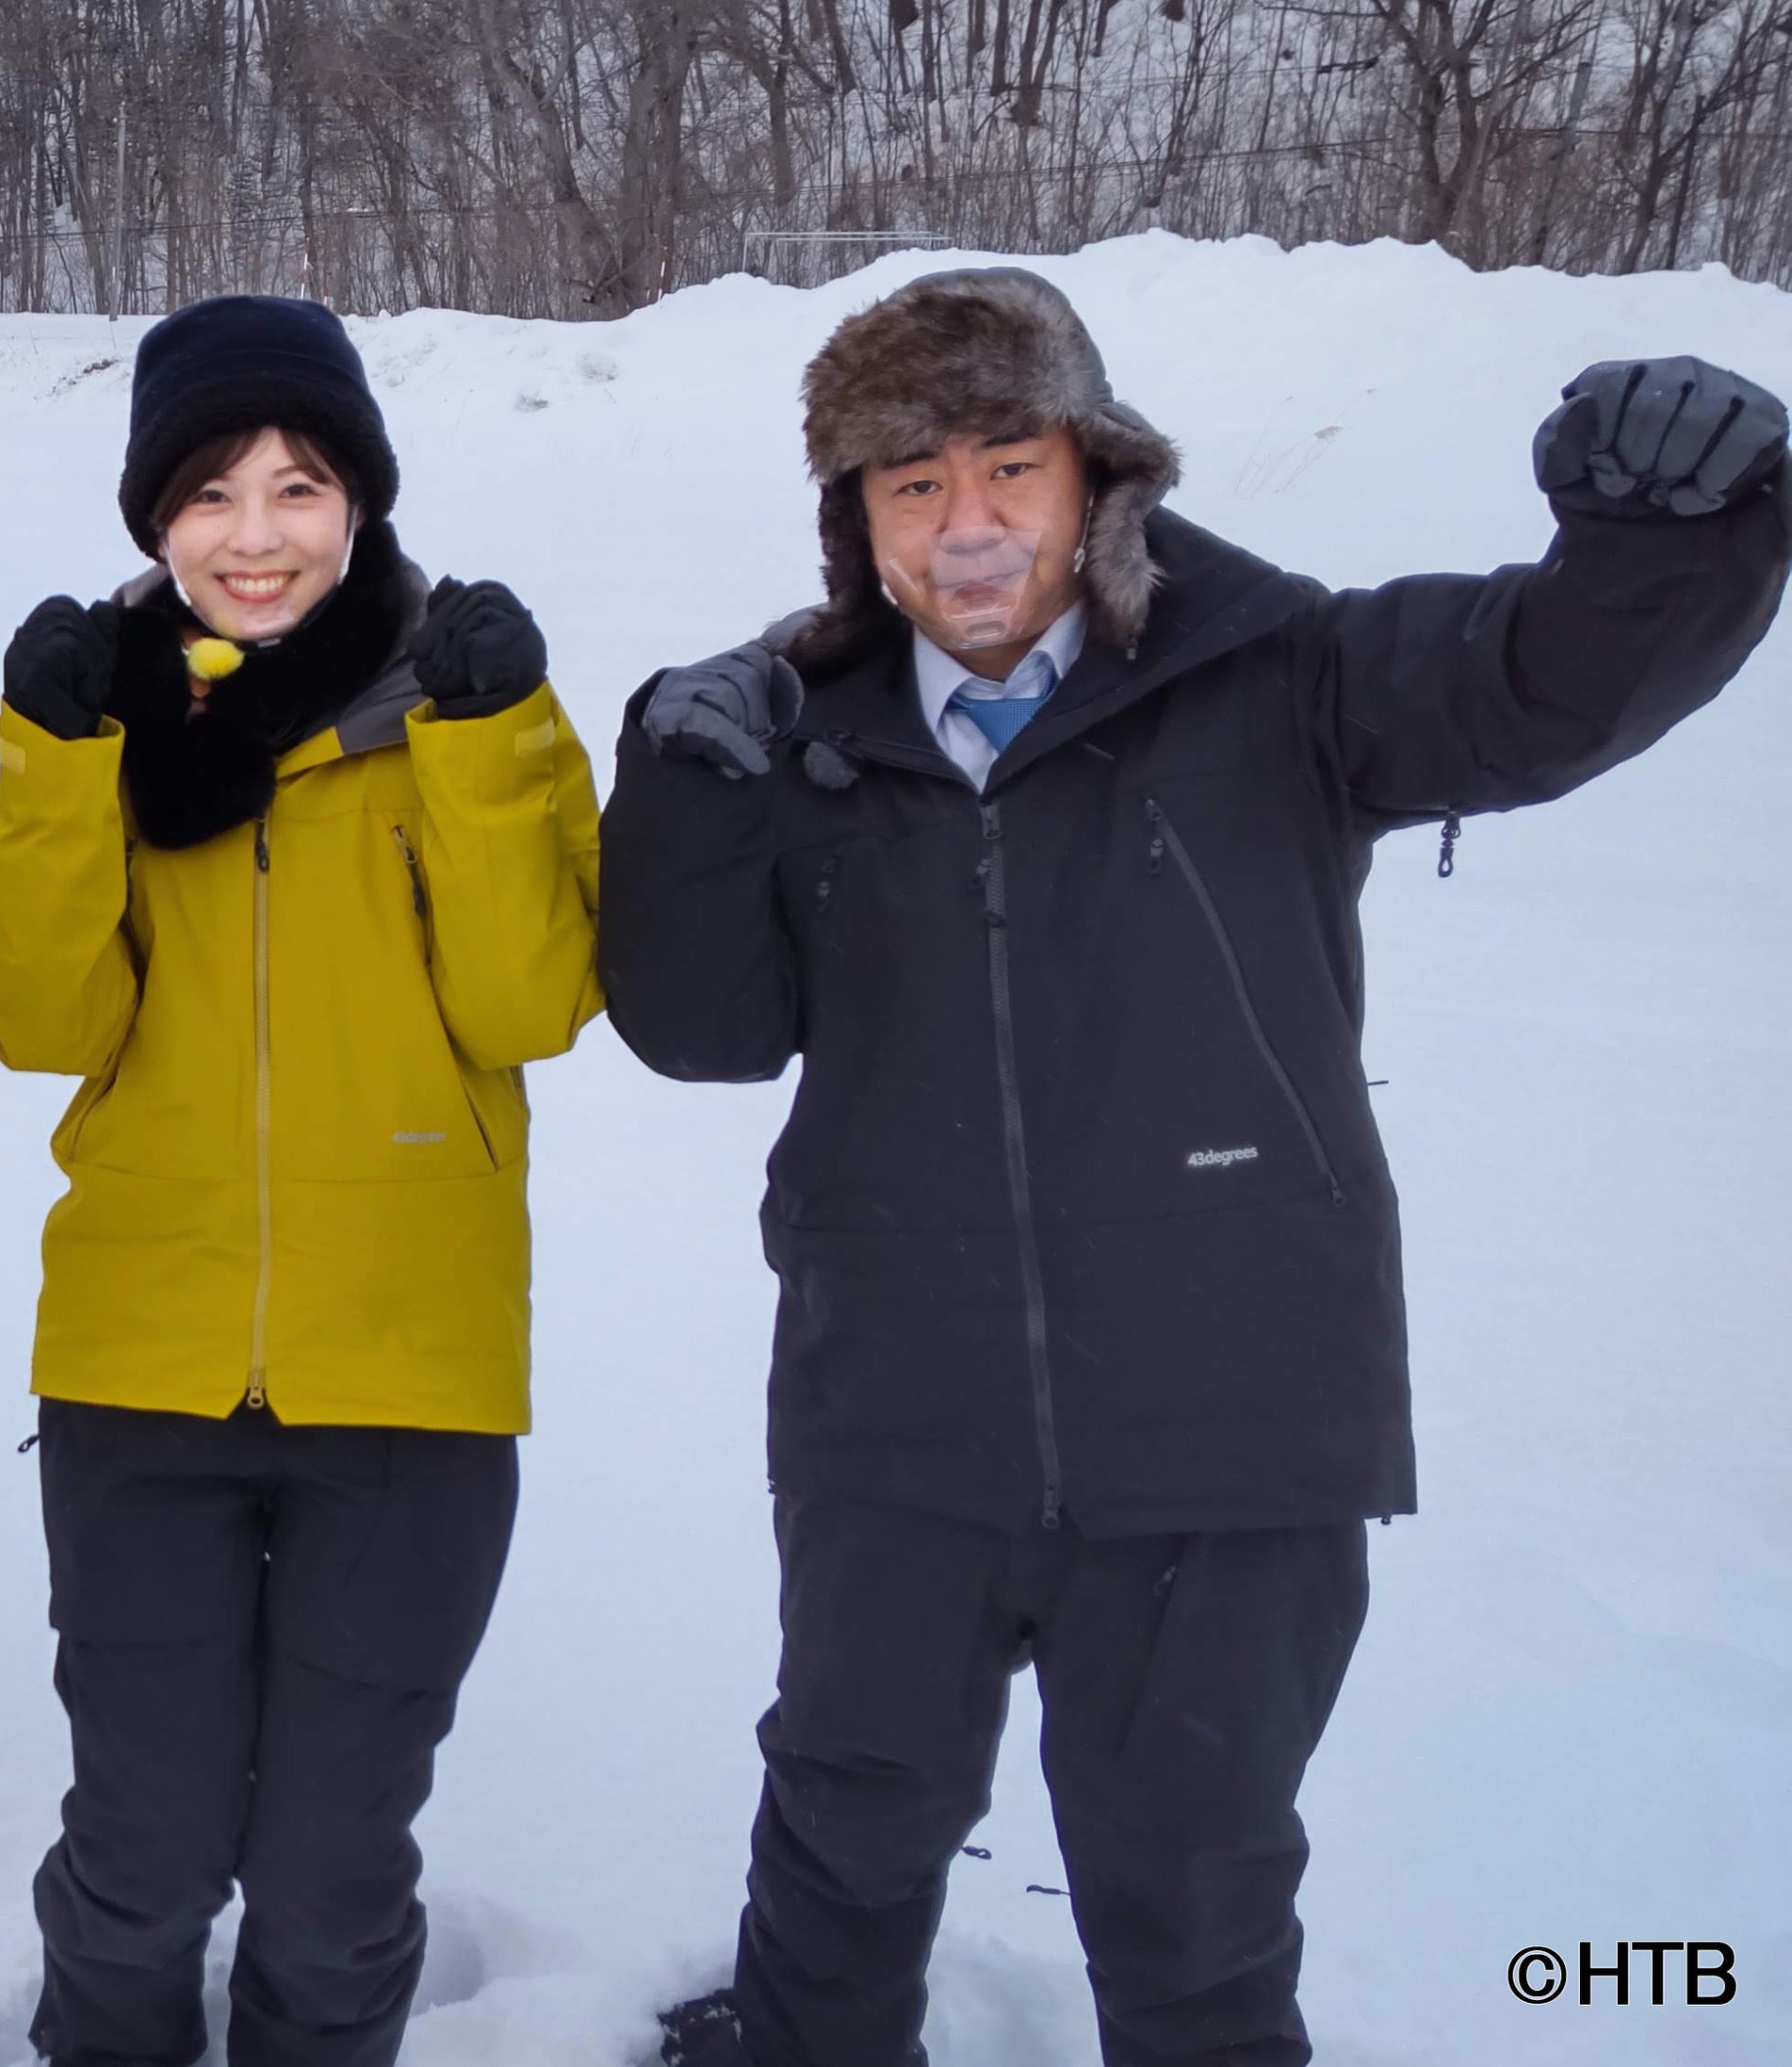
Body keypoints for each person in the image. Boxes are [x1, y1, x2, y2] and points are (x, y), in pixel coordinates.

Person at [599, 269, 1787, 2067]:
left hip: (1231, 1414)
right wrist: (683, 803)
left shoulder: (1281, 674)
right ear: (857, 520)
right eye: (912, 484)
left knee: (1195, 1877)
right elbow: (704, 1029)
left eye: (1011, 465)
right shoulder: (806, 735)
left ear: (1100, 478)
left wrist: (1672, 532)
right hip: (898, 1411)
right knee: (847, 1815)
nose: (970, 523)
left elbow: (1545, 682)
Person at [0, 294, 603, 2067]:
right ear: (153, 517)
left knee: (330, 1875)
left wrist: (488, 750)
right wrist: (54, 760)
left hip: (411, 1377)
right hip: (138, 1368)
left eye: (301, 487)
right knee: (142, 1852)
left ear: (361, 502)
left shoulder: (464, 696)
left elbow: (527, 998)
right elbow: (36, 1014)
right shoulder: (108, 712)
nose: (256, 536)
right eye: (212, 493)